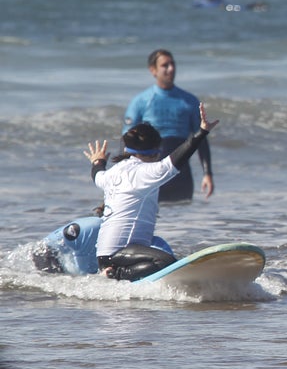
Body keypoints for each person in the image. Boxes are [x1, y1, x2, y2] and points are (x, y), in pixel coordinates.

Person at [86, 103, 219, 281]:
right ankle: (115, 274)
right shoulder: (144, 172)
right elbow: (178, 158)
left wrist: (97, 162)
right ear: (156, 151)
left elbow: (97, 176)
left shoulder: (113, 173)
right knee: (163, 262)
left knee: (162, 252)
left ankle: (116, 271)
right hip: (120, 256)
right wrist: (202, 131)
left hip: (105, 254)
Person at [123, 49, 214, 202]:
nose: (171, 69)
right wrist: (124, 175)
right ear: (153, 70)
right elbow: (127, 140)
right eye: (165, 65)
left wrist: (207, 173)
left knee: (182, 222)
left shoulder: (189, 101)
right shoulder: (141, 101)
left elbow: (201, 139)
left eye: (172, 64)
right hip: (150, 176)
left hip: (181, 176)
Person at [32, 215, 172, 276]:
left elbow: (171, 264)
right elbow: (42, 249)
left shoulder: (151, 240)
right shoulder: (89, 228)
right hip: (51, 259)